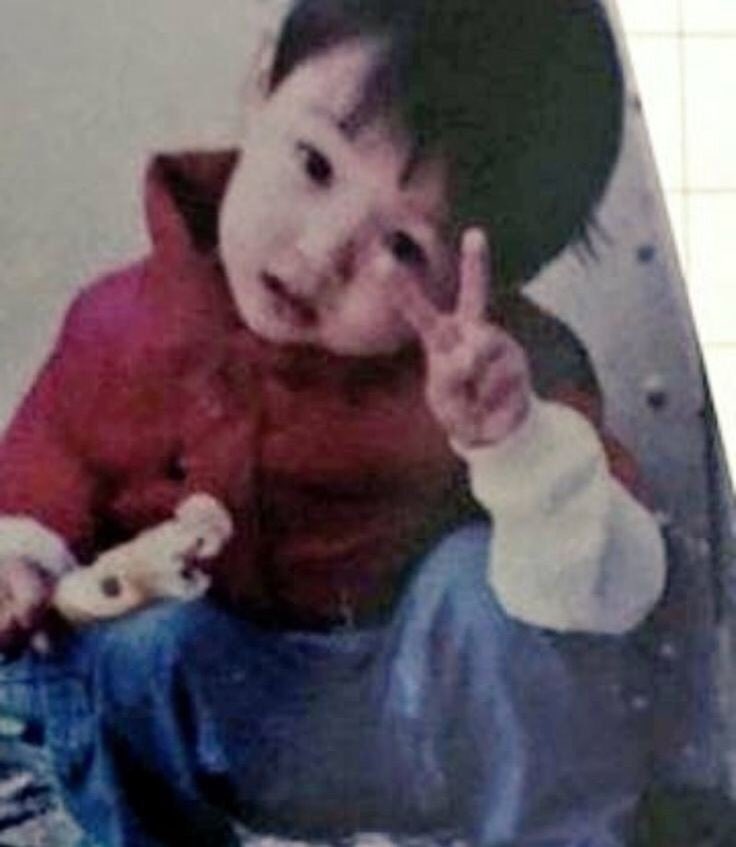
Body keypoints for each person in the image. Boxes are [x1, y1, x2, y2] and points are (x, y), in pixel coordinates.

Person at [0, 0, 666, 843]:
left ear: (487, 279)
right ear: (262, 85)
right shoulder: (127, 323)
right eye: (315, 164)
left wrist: (516, 446)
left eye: (404, 248)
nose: (321, 252)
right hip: (236, 716)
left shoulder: (496, 376)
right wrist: (21, 559)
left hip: (414, 720)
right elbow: (50, 461)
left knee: (479, 585)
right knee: (135, 647)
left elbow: (619, 582)